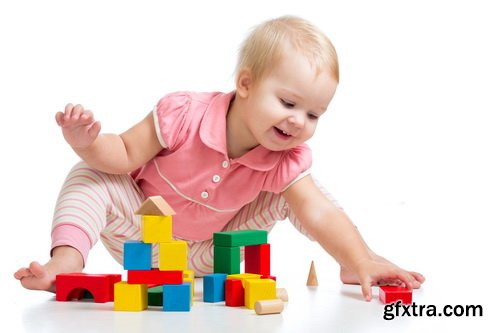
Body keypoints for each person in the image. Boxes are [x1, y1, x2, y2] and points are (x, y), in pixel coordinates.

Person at [14, 15, 424, 301]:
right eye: (288, 102)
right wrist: (87, 142)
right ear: (245, 83)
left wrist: (361, 257)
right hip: (142, 237)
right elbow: (122, 154)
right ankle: (66, 260)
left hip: (212, 253)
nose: (299, 121)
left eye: (314, 114)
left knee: (303, 192)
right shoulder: (183, 114)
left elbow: (317, 213)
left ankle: (356, 261)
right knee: (90, 174)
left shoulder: (286, 157)